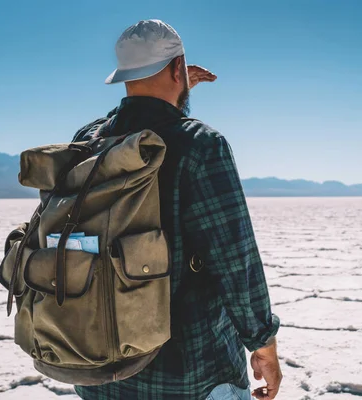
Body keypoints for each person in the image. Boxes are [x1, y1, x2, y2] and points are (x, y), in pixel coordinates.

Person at [73, 19, 282, 400]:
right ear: (177, 68)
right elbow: (236, 258)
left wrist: (173, 86)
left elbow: (135, 118)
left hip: (98, 367)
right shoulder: (201, 145)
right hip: (189, 374)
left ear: (123, 77)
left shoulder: (88, 141)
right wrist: (263, 344)